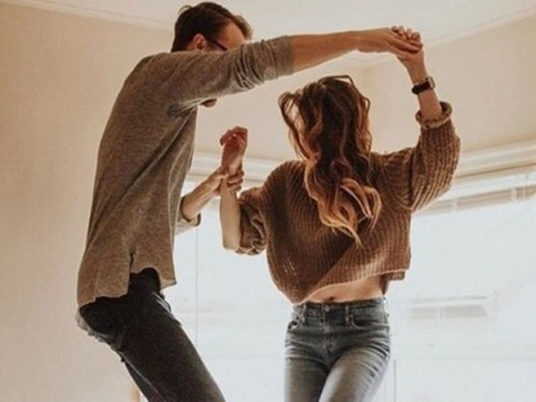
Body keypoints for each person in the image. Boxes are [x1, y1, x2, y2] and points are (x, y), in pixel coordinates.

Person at [75, 0, 422, 399]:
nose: (231, 69)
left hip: (122, 290)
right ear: (199, 45)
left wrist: (218, 181)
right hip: (121, 288)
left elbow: (167, 220)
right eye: (229, 53)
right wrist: (359, 39)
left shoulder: (169, 110)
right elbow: (253, 65)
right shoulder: (159, 74)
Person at [218, 27, 460, 402]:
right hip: (304, 331)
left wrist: (418, 72)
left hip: (363, 331)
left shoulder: (387, 175)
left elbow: (440, 155)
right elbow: (234, 238)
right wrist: (227, 177)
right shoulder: (286, 181)